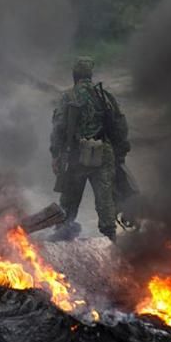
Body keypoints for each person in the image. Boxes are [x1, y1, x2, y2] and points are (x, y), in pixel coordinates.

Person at [50, 56, 130, 242]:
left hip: (76, 155)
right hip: (103, 152)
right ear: (90, 75)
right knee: (105, 198)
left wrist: (56, 155)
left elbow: (58, 128)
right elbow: (120, 126)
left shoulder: (68, 97)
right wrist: (120, 152)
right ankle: (110, 236)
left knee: (69, 198)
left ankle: (63, 232)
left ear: (74, 75)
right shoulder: (104, 96)